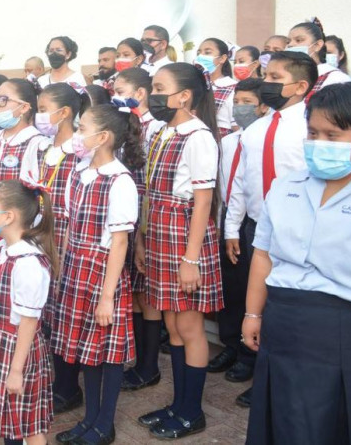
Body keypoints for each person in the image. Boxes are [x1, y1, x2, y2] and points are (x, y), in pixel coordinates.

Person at [243, 83, 351, 444]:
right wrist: (253, 314)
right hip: (284, 320)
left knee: (336, 420)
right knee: (284, 418)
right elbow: (263, 253)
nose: (319, 142)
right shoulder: (287, 185)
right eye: (313, 133)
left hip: (347, 325)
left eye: (333, 135)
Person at [136, 63, 223, 439]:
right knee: (172, 324)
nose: (153, 95)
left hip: (184, 237)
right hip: (159, 233)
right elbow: (149, 191)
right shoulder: (162, 132)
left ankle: (192, 411)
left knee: (189, 326)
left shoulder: (198, 137)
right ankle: (177, 403)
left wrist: (191, 260)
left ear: (184, 95)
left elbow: (203, 203)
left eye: (160, 88)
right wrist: (142, 239)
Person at [224, 52, 316, 406]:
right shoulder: (256, 129)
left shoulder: (309, 128)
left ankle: (280, 376)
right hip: (256, 228)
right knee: (256, 299)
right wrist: (233, 227)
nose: (267, 83)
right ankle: (257, 366)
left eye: (276, 77)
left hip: (296, 230)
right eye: (267, 76)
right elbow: (241, 181)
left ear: (300, 86)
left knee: (285, 305)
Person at [53, 104, 141, 445]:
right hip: (76, 268)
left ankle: (105, 424)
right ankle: (90, 418)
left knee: (108, 351)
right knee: (87, 351)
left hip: (103, 272)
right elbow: (70, 226)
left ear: (103, 137)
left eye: (82, 128)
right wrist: (62, 268)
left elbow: (119, 242)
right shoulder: (79, 172)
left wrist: (107, 297)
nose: (77, 135)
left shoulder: (120, 180)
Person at [0, 179, 57, 445]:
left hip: (20, 352)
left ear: (8, 216)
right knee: (10, 418)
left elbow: (28, 321)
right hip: (2, 346)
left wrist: (16, 370)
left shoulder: (27, 263)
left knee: (29, 424)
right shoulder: (5, 250)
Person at [0, 79, 47, 357]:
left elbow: (36, 195)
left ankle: (22, 352)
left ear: (24, 107)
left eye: (4, 100)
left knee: (21, 301)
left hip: (19, 231)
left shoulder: (35, 143)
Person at [208, 78, 267, 407]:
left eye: (248, 102)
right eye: (237, 101)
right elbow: (225, 185)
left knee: (251, 288)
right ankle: (231, 345)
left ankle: (249, 355)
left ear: (262, 106)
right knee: (231, 286)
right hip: (229, 218)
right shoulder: (229, 142)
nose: (241, 107)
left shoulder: (264, 140)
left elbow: (248, 186)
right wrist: (225, 225)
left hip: (252, 219)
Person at [114, 69, 165, 393]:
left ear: (140, 93)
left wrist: (143, 228)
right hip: (125, 215)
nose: (115, 96)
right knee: (132, 292)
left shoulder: (156, 128)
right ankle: (136, 360)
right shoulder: (121, 124)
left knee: (146, 293)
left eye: (121, 91)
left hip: (144, 218)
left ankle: (149, 365)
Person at [34, 83, 83, 413]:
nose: (39, 116)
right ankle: (54, 377)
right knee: (49, 309)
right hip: (45, 232)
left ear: (64, 112)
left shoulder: (79, 150)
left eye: (43, 109)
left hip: (67, 236)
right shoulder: (45, 148)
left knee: (65, 311)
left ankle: (68, 385)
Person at [286, 19, 351, 94]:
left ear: (317, 45)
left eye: (299, 40)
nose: (290, 45)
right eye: (288, 42)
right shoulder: (288, 77)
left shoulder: (336, 79)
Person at [196, 37, 238, 137]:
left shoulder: (232, 88)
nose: (201, 57)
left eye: (207, 52)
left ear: (222, 58)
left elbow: (236, 127)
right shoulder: (196, 86)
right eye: (198, 53)